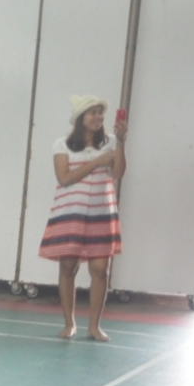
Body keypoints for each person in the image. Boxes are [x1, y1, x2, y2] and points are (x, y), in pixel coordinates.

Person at [41, 95, 126, 342]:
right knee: (68, 267)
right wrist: (97, 162)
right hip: (70, 213)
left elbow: (118, 173)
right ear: (80, 118)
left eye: (100, 113)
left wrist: (121, 142)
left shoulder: (110, 142)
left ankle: (94, 326)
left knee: (100, 270)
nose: (98, 117)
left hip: (101, 214)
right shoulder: (62, 144)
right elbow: (64, 178)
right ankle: (69, 323)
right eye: (93, 112)